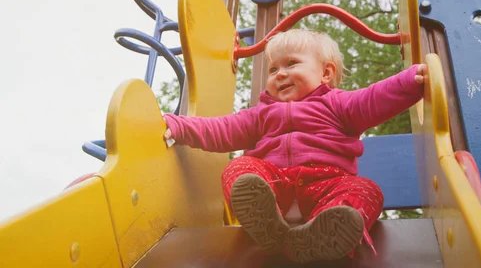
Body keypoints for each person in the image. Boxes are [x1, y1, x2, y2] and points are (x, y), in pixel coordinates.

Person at [163, 29, 427, 263]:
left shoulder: (338, 105)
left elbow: (375, 98)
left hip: (326, 187)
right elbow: (219, 129)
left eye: (291, 63)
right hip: (274, 189)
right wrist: (178, 126)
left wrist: (410, 81)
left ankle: (327, 232)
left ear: (325, 72)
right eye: (273, 69)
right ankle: (267, 223)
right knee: (240, 167)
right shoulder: (260, 114)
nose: (281, 74)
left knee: (367, 190)